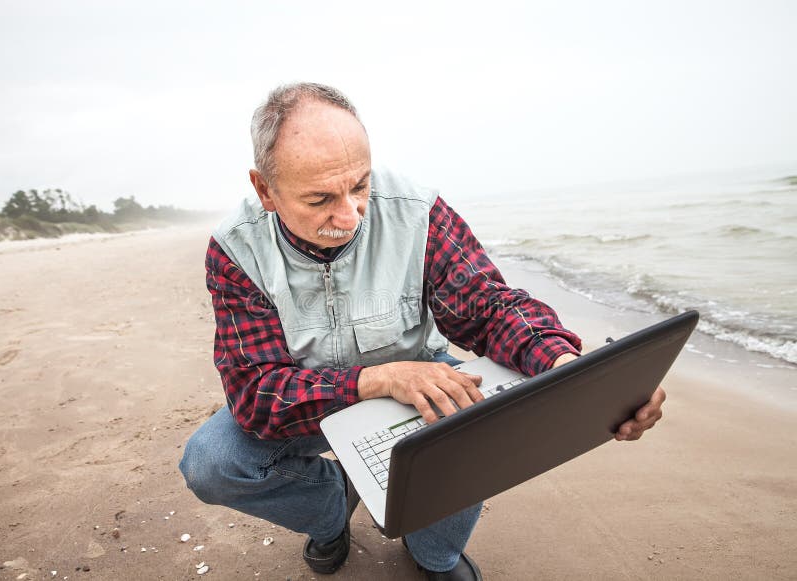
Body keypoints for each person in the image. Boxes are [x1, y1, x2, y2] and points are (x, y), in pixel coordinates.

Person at [178, 82, 666, 580]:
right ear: (265, 191)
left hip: (425, 384)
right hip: (314, 403)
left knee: (479, 428)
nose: (349, 217)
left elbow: (489, 308)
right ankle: (330, 513)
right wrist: (380, 379)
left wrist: (574, 373)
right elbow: (257, 393)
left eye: (360, 185)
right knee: (212, 464)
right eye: (320, 198)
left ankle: (433, 554)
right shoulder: (235, 251)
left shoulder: (418, 211)